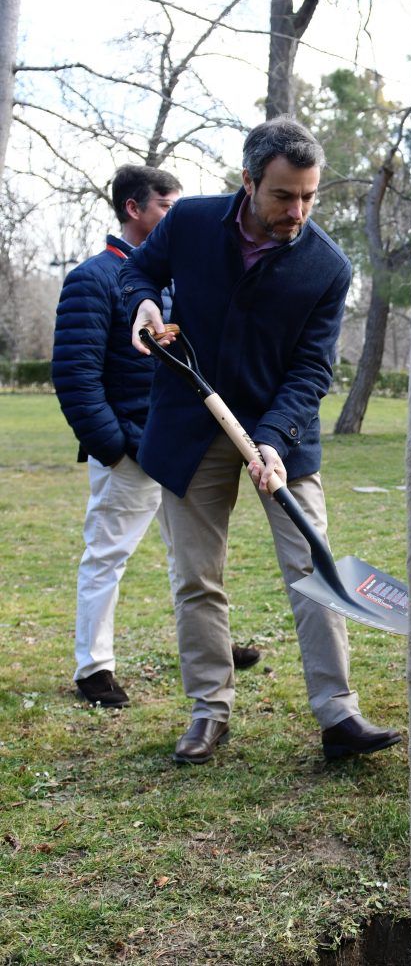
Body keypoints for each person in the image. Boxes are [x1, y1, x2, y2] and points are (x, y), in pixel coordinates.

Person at [121, 116, 400, 764]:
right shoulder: (190, 223)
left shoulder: (327, 267)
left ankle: (339, 715)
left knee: (313, 568)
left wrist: (272, 441)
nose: (297, 211)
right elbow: (139, 272)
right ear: (248, 182)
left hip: (281, 435)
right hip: (190, 427)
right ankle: (208, 710)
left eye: (309, 196)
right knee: (196, 576)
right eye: (283, 195)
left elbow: (311, 370)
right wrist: (145, 305)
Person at [52, 164, 260, 710]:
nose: (175, 217)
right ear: (134, 208)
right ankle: (94, 668)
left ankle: (211, 645)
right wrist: (115, 447)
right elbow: (75, 376)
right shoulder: (92, 279)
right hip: (128, 449)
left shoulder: (170, 282)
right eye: (167, 206)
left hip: (178, 445)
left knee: (192, 559)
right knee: (107, 556)